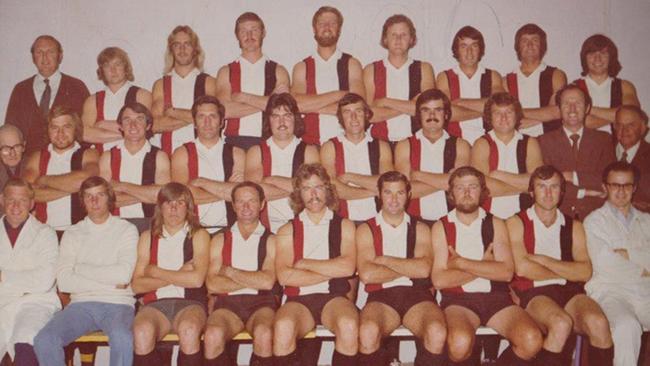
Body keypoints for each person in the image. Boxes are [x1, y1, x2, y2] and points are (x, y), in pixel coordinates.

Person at [431, 166, 542, 364]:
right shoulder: (441, 226)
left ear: (483, 192)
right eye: (460, 188)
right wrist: (485, 266)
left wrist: (462, 263)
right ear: (451, 194)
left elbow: (506, 273)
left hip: (497, 299)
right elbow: (439, 280)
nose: (466, 193)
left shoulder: (497, 224)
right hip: (458, 301)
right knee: (459, 342)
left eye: (472, 187)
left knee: (531, 339)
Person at [509, 165, 614, 365]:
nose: (548, 193)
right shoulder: (516, 222)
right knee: (560, 323)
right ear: (532, 192)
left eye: (554, 187)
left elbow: (584, 272)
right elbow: (522, 269)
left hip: (569, 292)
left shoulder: (574, 226)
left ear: (562, 191)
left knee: (598, 323)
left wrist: (544, 260)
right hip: (533, 292)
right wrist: (567, 271)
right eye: (542, 187)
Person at [34, 176, 139, 366]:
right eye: (89, 196)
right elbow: (65, 281)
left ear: (110, 198)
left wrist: (80, 269)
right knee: (44, 339)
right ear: (82, 201)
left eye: (100, 195)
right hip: (81, 305)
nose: (94, 201)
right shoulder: (72, 233)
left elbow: (123, 275)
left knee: (122, 336)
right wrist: (111, 282)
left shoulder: (126, 229)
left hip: (118, 304)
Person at [356, 171, 446, 365]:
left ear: (409, 195)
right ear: (379, 195)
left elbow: (423, 270)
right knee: (368, 331)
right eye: (388, 192)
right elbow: (368, 275)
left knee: (437, 331)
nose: (394, 199)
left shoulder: (421, 228)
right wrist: (408, 266)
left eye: (400, 193)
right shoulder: (366, 229)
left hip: (417, 296)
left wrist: (384, 260)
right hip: (381, 297)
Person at [273, 163, 358, 365]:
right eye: (306, 188)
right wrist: (331, 269)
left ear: (327, 190)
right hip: (298, 300)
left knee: (348, 325)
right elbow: (286, 277)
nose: (313, 194)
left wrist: (304, 264)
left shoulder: (345, 225)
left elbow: (348, 267)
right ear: (298, 194)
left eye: (318, 187)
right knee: (283, 326)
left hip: (334, 298)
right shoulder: (287, 230)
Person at [131, 182, 210, 366]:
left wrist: (156, 272)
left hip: (190, 304)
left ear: (188, 207)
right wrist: (179, 274)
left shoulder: (199, 235)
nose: (173, 209)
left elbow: (197, 281)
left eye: (180, 203)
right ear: (160, 207)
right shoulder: (147, 237)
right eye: (168, 203)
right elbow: (137, 285)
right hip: (155, 305)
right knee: (141, 332)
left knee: (189, 330)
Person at [203, 182, 277, 366]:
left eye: (251, 201)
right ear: (233, 205)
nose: (246, 207)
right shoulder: (220, 239)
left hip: (263, 304)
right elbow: (212, 284)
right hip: (227, 305)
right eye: (240, 201)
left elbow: (268, 283)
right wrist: (255, 278)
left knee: (264, 333)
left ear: (262, 204)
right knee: (212, 335)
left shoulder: (272, 239)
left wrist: (229, 271)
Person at [584, 161, 650, 366]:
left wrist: (628, 254)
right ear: (605, 187)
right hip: (611, 292)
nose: (621, 191)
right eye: (615, 185)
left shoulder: (647, 221)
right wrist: (644, 267)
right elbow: (605, 265)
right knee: (626, 326)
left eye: (627, 185)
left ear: (635, 188)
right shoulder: (594, 222)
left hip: (645, 292)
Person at [0, 178, 59, 366]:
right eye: (11, 200)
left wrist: (3, 276)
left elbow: (44, 280)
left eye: (23, 200)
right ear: (2, 200)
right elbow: (35, 279)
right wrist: (25, 284)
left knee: (26, 345)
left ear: (32, 203)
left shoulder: (46, 233)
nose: (16, 206)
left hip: (35, 304)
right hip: (2, 304)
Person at [538, 84, 616, 219]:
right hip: (559, 216)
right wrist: (584, 191)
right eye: (566, 103)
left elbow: (609, 179)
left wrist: (573, 176)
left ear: (587, 108)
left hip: (598, 216)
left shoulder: (604, 140)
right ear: (559, 109)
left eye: (578, 103)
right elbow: (545, 187)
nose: (572, 109)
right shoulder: (543, 142)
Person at [245, 93, 319, 232]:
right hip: (265, 228)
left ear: (295, 119)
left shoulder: (309, 151)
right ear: (269, 120)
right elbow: (254, 194)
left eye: (287, 115)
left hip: (304, 225)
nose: (282, 121)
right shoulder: (256, 152)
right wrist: (299, 188)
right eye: (275, 116)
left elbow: (314, 192)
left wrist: (270, 180)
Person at [394, 88, 471, 224]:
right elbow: (404, 192)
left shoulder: (461, 145)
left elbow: (461, 187)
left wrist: (418, 175)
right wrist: (447, 180)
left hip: (453, 221)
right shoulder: (404, 145)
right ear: (418, 114)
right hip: (415, 222)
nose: (432, 115)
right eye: (426, 110)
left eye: (438, 110)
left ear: (446, 114)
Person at [291, 6, 365, 145]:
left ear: (339, 29)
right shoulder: (302, 67)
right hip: (310, 143)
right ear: (314, 29)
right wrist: (339, 95)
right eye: (321, 23)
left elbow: (357, 104)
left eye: (332, 23)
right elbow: (296, 105)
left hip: (346, 142)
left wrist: (311, 106)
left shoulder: (352, 64)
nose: (327, 27)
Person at [216, 12, 291, 150]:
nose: (249, 36)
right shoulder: (226, 71)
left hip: (270, 141)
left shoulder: (278, 71)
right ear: (237, 35)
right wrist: (269, 101)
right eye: (244, 31)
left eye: (254, 30)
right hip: (234, 142)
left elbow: (283, 109)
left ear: (263, 33)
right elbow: (224, 111)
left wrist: (244, 98)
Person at [171, 96, 245, 233]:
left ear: (222, 122)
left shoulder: (237, 154)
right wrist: (227, 190)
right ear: (194, 122)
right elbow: (183, 198)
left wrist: (202, 183)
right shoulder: (182, 153)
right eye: (201, 117)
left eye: (213, 116)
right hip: (192, 230)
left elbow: (243, 196)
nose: (207, 122)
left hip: (230, 230)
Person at [5, 35, 89, 154]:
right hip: (28, 162)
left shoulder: (77, 87)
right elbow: (10, 130)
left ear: (60, 56)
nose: (45, 57)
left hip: (67, 161)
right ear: (33, 58)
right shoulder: (20, 90)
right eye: (39, 52)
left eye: (50, 52)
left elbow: (86, 128)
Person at [22, 106, 99, 234]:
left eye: (66, 127)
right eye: (54, 128)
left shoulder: (88, 153)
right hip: (44, 231)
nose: (60, 133)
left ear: (76, 129)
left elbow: (86, 181)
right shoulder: (37, 157)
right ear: (47, 131)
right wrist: (74, 189)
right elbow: (27, 193)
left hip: (81, 231)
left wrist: (44, 180)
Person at [99, 102, 171, 233]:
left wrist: (121, 186)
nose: (133, 125)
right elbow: (105, 200)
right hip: (115, 224)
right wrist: (147, 195)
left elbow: (163, 196)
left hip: (151, 223)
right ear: (120, 126)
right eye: (127, 120)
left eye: (139, 119)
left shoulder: (159, 156)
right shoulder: (108, 156)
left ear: (148, 125)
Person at [321, 93, 393, 222]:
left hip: (378, 219)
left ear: (366, 114)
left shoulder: (382, 146)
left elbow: (388, 185)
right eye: (347, 112)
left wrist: (350, 177)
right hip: (342, 220)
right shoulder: (330, 147)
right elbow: (332, 190)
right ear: (341, 118)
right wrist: (373, 192)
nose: (353, 117)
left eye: (358, 111)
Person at [363, 14, 435, 142]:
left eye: (403, 35)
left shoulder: (424, 69)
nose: (398, 39)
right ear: (385, 39)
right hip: (379, 142)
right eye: (393, 35)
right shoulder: (371, 70)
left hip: (416, 141)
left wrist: (385, 101)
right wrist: (411, 106)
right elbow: (368, 115)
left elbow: (428, 110)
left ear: (412, 39)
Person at [471, 92, 543, 219]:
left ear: (517, 115)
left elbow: (538, 183)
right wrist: (524, 188)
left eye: (509, 112)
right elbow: (481, 188)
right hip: (488, 216)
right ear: (489, 117)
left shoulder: (530, 143)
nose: (503, 118)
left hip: (524, 216)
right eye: (497, 113)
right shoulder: (481, 144)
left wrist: (498, 176)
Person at [151, 25, 217, 156]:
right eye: (177, 45)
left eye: (187, 44)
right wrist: (197, 117)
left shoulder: (209, 82)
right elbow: (154, 125)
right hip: (169, 155)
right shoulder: (161, 85)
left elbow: (216, 120)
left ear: (195, 49)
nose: (182, 49)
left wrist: (173, 112)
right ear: (171, 50)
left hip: (203, 155)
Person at [437, 26, 504, 145]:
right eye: (464, 46)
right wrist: (485, 111)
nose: (469, 52)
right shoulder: (444, 77)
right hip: (455, 143)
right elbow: (446, 113)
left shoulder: (493, 76)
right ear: (456, 49)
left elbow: (499, 105)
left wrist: (460, 102)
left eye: (474, 46)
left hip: (489, 142)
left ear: (480, 49)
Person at [81, 47, 152, 152]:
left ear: (126, 68)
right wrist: (129, 133)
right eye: (107, 65)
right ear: (101, 70)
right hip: (102, 160)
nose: (113, 70)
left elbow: (144, 129)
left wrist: (101, 125)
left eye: (117, 64)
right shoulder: (92, 100)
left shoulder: (142, 95)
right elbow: (84, 134)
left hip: (135, 156)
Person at [503, 23, 567, 136]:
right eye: (524, 41)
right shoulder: (506, 81)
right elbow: (504, 115)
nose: (530, 45)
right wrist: (543, 117)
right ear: (518, 46)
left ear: (542, 46)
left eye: (535, 40)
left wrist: (518, 113)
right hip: (516, 141)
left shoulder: (556, 75)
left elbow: (557, 111)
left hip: (549, 140)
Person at [574, 34, 640, 134]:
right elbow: (584, 122)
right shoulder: (574, 87)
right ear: (584, 58)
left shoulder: (625, 86)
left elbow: (631, 115)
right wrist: (617, 117)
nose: (597, 59)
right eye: (592, 54)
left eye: (603, 53)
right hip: (585, 147)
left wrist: (588, 109)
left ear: (611, 57)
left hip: (618, 147)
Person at [613, 105, 650, 212]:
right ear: (614, 126)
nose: (624, 130)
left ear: (643, 128)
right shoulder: (603, 149)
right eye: (619, 125)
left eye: (631, 125)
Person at [0, 125, 26, 213]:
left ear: (24, 146)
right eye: (6, 148)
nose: (12, 153)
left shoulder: (33, 165)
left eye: (17, 147)